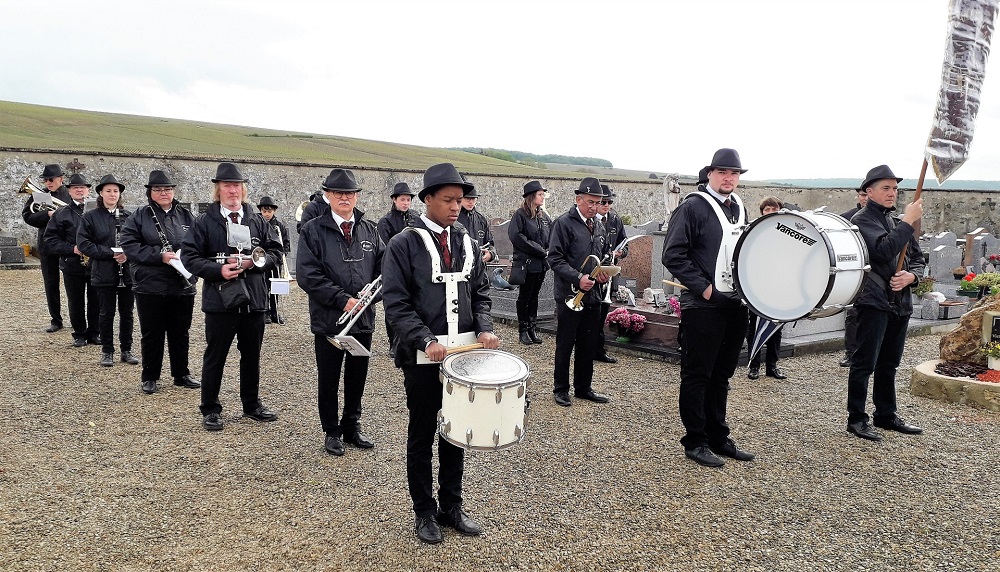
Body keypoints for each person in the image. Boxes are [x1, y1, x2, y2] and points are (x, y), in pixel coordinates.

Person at [381, 162, 498, 545]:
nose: (455, 206)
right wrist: (424, 339)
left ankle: (451, 506)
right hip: (422, 358)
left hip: (462, 356)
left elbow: (480, 293)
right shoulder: (403, 244)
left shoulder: (467, 242)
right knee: (422, 434)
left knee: (456, 431)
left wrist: (484, 327)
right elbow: (396, 303)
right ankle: (424, 512)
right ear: (427, 199)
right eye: (447, 199)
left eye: (459, 200)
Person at [661, 148, 755, 468]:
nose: (729, 178)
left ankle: (718, 436)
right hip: (703, 305)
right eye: (723, 172)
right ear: (711, 174)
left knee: (722, 374)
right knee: (698, 374)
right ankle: (695, 441)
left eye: (735, 173)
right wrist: (705, 289)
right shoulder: (692, 207)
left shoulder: (739, 207)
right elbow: (673, 255)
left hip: (735, 303)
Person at [181, 162, 284, 431]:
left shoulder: (258, 220)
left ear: (243, 189)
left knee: (251, 355)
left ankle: (251, 404)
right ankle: (210, 409)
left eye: (236, 185)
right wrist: (218, 270)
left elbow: (276, 251)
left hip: (254, 298)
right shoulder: (204, 222)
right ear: (218, 189)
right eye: (227, 185)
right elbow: (189, 257)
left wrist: (256, 262)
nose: (232, 190)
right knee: (216, 355)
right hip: (220, 300)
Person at [297, 169, 384, 456]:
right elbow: (307, 275)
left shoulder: (370, 230)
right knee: (329, 378)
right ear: (328, 196)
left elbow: (385, 271)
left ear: (356, 196)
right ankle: (331, 431)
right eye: (338, 193)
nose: (344, 197)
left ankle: (351, 426)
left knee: (357, 376)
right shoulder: (312, 230)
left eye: (349, 193)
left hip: (363, 319)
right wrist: (342, 300)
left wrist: (370, 297)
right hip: (329, 319)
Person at [845, 165, 924, 441]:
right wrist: (908, 221)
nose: (892, 193)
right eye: (886, 188)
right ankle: (856, 418)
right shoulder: (862, 219)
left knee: (889, 363)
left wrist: (912, 277)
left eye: (895, 189)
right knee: (864, 363)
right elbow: (883, 251)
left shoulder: (896, 221)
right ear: (869, 191)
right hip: (873, 301)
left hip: (900, 302)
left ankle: (886, 415)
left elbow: (917, 259)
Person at [119, 169, 200, 395]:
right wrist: (159, 256)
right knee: (152, 333)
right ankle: (150, 376)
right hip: (150, 284)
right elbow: (129, 245)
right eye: (158, 189)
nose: (164, 193)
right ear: (150, 192)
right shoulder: (139, 216)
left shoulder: (186, 215)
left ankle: (181, 373)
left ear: (174, 191)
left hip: (181, 283)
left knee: (180, 331)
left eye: (168, 189)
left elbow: (198, 242)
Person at [548, 177, 612, 407]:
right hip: (570, 295)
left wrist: (604, 272)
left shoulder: (599, 226)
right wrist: (577, 277)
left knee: (588, 344)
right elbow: (554, 259)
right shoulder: (563, 223)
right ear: (578, 199)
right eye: (590, 202)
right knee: (565, 344)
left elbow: (603, 255)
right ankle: (561, 389)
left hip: (593, 295)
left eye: (598, 202)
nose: (594, 207)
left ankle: (583, 388)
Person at [77, 174, 139, 368]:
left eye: (115, 191)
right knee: (106, 313)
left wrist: (127, 254)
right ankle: (107, 351)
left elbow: (138, 241)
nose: (112, 194)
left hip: (127, 272)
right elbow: (84, 243)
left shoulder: (129, 216)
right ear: (101, 194)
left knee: (127, 313)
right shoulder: (90, 217)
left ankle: (126, 350)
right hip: (103, 271)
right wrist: (110, 253)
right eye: (108, 191)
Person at [44, 173, 100, 347]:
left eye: (82, 188)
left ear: (88, 190)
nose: (79, 191)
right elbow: (50, 238)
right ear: (69, 191)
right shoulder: (61, 213)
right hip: (72, 263)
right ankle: (79, 334)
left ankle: (94, 332)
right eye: (75, 188)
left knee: (96, 300)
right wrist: (72, 249)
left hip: (96, 263)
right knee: (75, 301)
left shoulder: (98, 212)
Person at [23, 163, 72, 332]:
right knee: (51, 284)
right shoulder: (40, 195)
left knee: (72, 285)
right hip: (47, 246)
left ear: (61, 179)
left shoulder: (69, 195)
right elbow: (28, 216)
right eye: (45, 180)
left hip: (66, 245)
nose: (48, 183)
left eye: (51, 179)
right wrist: (47, 214)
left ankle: (77, 319)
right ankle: (56, 320)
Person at [746, 196, 787, 381]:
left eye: (774, 209)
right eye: (767, 209)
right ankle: (753, 366)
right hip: (757, 287)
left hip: (779, 286)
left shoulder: (787, 232)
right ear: (762, 212)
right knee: (754, 327)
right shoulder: (754, 231)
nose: (770, 212)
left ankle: (772, 366)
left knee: (776, 328)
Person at [508, 180, 552, 345]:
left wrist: (548, 250)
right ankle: (523, 330)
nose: (543, 197)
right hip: (526, 264)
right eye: (540, 194)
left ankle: (532, 328)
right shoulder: (520, 215)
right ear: (532, 196)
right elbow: (517, 236)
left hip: (541, 264)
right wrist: (539, 250)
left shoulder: (543, 216)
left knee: (534, 297)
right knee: (525, 297)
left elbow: (551, 234)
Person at [377, 181, 417, 354]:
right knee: (394, 306)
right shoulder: (385, 222)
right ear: (394, 200)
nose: (406, 203)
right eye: (402, 200)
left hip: (413, 269)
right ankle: (393, 343)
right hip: (394, 270)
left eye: (408, 200)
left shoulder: (416, 218)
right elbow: (384, 249)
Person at [595, 184, 629, 364]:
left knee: (602, 314)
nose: (607, 205)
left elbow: (624, 242)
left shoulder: (615, 219)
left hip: (610, 272)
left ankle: (599, 349)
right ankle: (587, 348)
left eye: (609, 202)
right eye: (603, 202)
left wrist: (621, 252)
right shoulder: (591, 220)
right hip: (594, 271)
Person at [839, 187, 869, 367]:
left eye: (867, 194)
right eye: (862, 195)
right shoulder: (846, 218)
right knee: (852, 315)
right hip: (854, 271)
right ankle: (851, 353)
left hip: (874, 273)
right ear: (858, 196)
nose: (865, 198)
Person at [256, 196, 291, 325]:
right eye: (264, 211)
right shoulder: (257, 224)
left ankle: (275, 312)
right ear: (260, 211)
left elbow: (286, 243)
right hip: (262, 261)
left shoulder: (279, 226)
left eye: (269, 211)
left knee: (276, 288)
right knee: (263, 287)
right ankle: (265, 312)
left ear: (274, 211)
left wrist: (282, 255)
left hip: (275, 262)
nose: (267, 214)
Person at [456, 177, 497, 264]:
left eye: (473, 199)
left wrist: (491, 254)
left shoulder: (481, 219)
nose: (471, 202)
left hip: (479, 265)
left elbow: (490, 243)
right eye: (468, 198)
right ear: (460, 198)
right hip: (459, 265)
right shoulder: (453, 217)